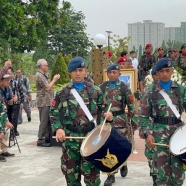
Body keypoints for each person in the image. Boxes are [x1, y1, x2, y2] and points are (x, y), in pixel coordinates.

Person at [50, 57, 113, 186]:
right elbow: (53, 112)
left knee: (92, 177)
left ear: (85, 71)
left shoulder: (95, 91)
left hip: (91, 139)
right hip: (70, 140)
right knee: (71, 176)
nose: (78, 73)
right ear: (69, 72)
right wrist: (58, 128)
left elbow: (105, 110)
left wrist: (109, 117)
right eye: (74, 71)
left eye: (80, 70)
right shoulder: (62, 93)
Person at [140, 58, 186, 185]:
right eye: (161, 71)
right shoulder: (150, 92)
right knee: (161, 174)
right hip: (158, 137)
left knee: (178, 174)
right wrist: (148, 133)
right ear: (157, 73)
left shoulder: (180, 90)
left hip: (178, 134)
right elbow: (143, 116)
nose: (165, 74)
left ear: (172, 71)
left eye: (167, 70)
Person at [100, 63, 136, 186]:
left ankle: (123, 163)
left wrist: (132, 121)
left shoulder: (124, 88)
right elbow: (99, 105)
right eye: (110, 72)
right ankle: (111, 174)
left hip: (120, 120)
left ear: (119, 74)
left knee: (120, 146)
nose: (112, 74)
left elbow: (131, 105)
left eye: (114, 72)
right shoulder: (102, 87)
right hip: (106, 122)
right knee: (108, 147)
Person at [35, 59, 60, 147]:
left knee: (48, 121)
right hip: (43, 102)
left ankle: (47, 137)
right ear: (42, 66)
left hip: (47, 101)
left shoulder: (43, 75)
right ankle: (40, 139)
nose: (47, 67)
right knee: (44, 121)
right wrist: (54, 79)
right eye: (46, 65)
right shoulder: (39, 75)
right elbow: (47, 88)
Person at [0, 60, 15, 161]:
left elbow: (9, 100)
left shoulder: (6, 89)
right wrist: (5, 67)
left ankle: (3, 150)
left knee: (5, 131)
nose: (8, 82)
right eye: (6, 80)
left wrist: (13, 99)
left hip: (3, 112)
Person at [8, 67, 24, 136]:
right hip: (8, 104)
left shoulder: (17, 82)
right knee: (9, 118)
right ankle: (14, 130)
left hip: (16, 103)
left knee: (14, 118)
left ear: (12, 74)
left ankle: (13, 133)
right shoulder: (4, 83)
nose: (8, 75)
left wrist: (21, 102)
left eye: (9, 73)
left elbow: (21, 92)